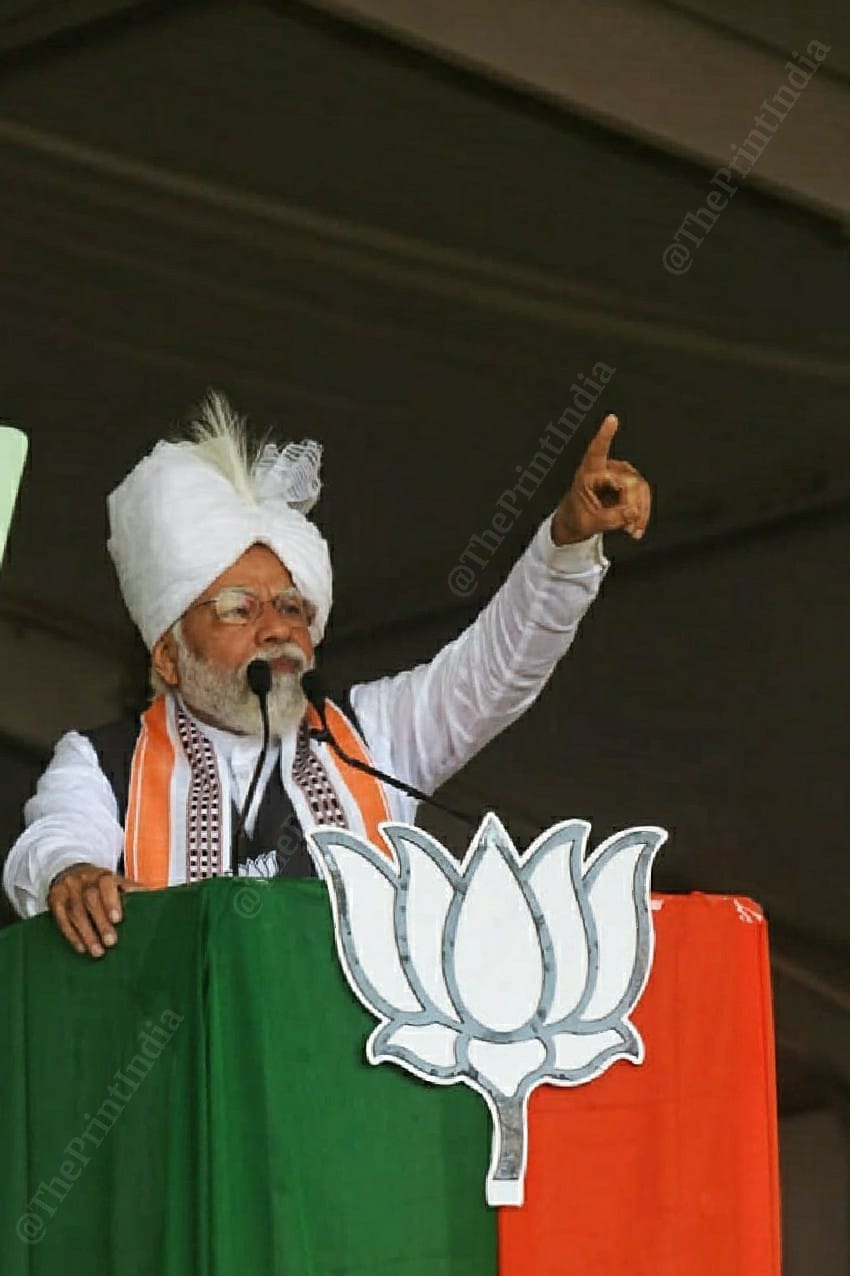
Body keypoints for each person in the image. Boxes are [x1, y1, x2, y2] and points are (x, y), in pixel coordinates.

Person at [2, 393, 651, 958]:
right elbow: (52, 843)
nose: (278, 628)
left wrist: (566, 542)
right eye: (239, 609)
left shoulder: (371, 739)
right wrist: (73, 874)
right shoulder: (100, 765)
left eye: (292, 607)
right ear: (169, 655)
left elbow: (498, 668)